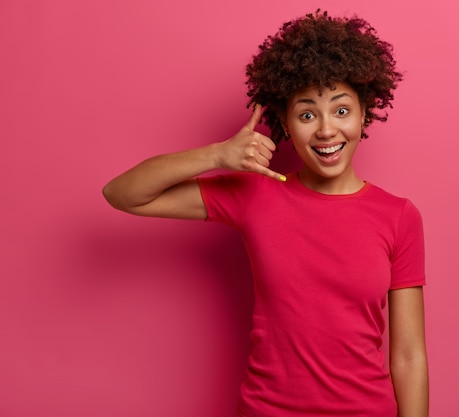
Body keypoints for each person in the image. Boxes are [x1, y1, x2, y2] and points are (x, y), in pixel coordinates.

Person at [103, 10, 428, 417]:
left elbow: (410, 356)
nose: (326, 130)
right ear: (286, 125)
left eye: (341, 110)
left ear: (365, 113)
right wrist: (217, 154)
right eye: (307, 114)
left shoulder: (399, 217)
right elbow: (123, 194)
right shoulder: (258, 194)